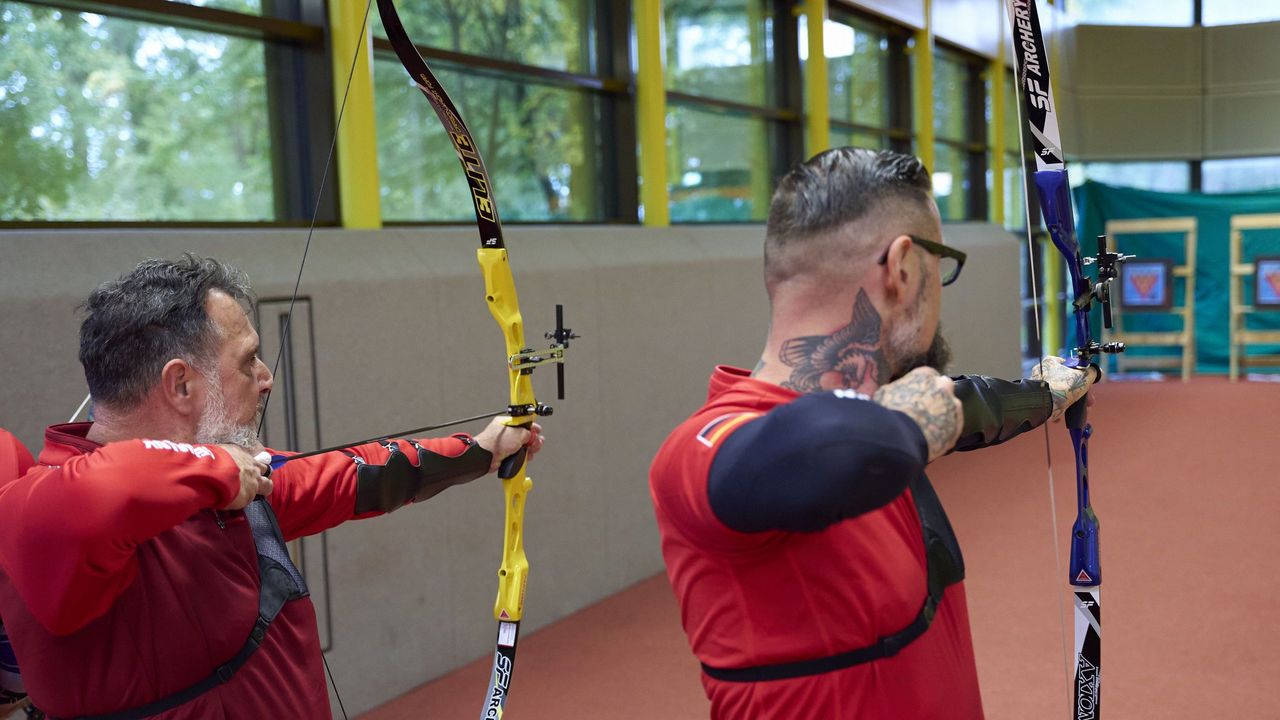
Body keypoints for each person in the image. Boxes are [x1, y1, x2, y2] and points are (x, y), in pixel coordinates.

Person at [648, 147, 1096, 719]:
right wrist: (913, 418)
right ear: (903, 268)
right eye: (943, 266)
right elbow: (834, 447)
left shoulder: (877, 428)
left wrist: (1048, 394)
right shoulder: (702, 447)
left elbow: (961, 409)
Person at [0, 255, 541, 718]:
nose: (266, 377)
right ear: (180, 384)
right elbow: (105, 490)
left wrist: (481, 451)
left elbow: (350, 472)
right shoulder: (41, 508)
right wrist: (216, 468)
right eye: (246, 361)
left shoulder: (228, 482)